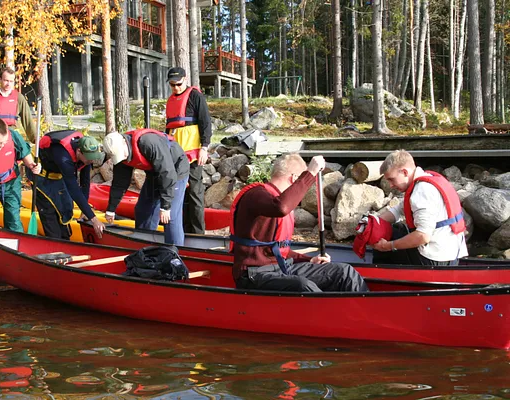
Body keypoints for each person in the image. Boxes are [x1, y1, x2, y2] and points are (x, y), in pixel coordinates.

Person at [230, 153, 369, 293]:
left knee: (344, 272)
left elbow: (276, 250)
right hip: (254, 274)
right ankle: (330, 312)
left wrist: (308, 260)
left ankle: (366, 311)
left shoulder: (274, 200)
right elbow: (281, 208)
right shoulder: (256, 195)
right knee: (303, 286)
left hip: (281, 267)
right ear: (295, 178)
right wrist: (310, 173)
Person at [372, 149, 468, 265]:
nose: (391, 185)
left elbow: (423, 236)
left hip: (435, 260)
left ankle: (378, 274)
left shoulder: (421, 192)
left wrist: (388, 246)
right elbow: (398, 210)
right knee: (391, 229)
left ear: (405, 172)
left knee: (388, 234)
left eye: (392, 179)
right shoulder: (426, 180)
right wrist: (374, 222)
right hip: (451, 256)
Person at [103, 129, 189, 246]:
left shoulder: (148, 143)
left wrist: (165, 207)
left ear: (124, 142)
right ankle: (144, 247)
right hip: (154, 173)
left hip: (175, 170)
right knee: (143, 210)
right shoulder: (121, 156)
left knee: (170, 217)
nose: (122, 157)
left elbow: (167, 174)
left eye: (122, 153)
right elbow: (119, 184)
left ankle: (176, 252)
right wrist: (111, 209)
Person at [32, 130, 106, 240]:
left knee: (65, 211)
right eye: (89, 158)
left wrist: (85, 212)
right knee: (50, 214)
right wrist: (93, 218)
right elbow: (74, 190)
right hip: (42, 177)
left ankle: (66, 241)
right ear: (79, 152)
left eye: (93, 157)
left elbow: (85, 182)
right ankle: (55, 245)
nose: (91, 160)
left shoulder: (86, 156)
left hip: (59, 176)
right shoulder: (63, 157)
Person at [165, 66, 212, 235]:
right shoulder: (171, 100)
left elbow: (205, 122)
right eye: (172, 85)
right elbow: (168, 129)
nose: (176, 87)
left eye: (178, 84)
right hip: (175, 156)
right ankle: (183, 231)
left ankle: (198, 233)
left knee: (195, 193)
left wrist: (204, 148)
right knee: (179, 193)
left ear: (185, 79)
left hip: (192, 155)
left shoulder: (195, 96)